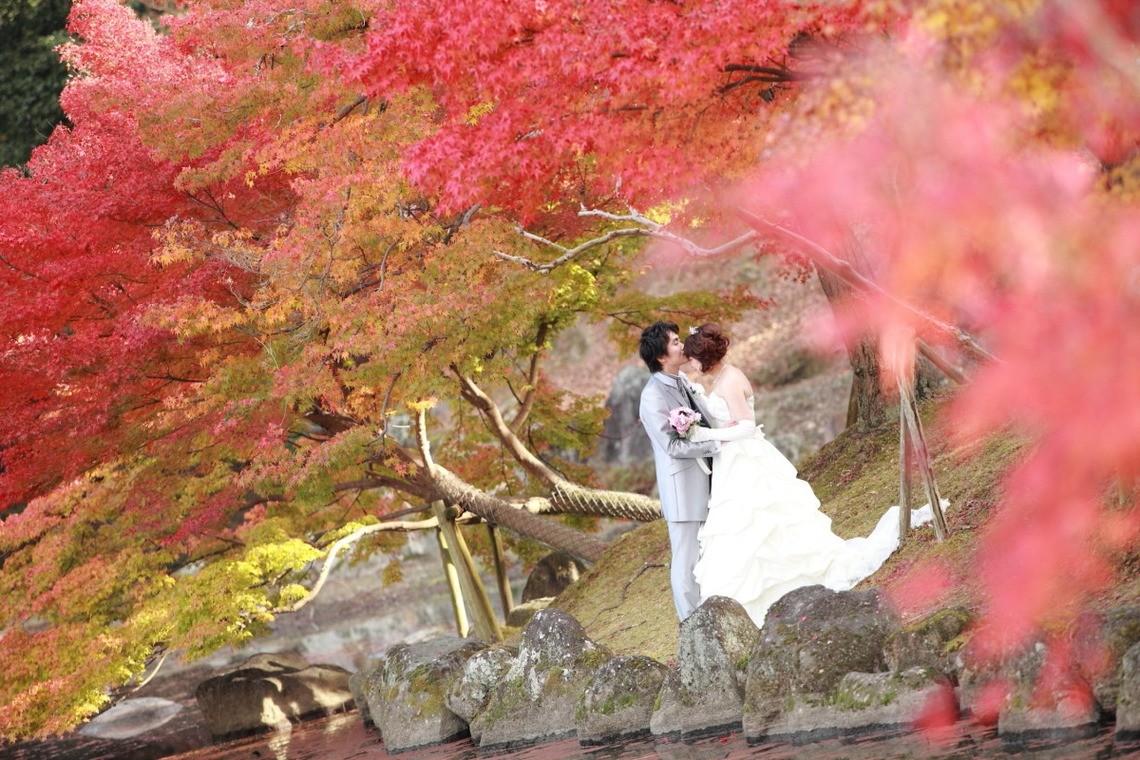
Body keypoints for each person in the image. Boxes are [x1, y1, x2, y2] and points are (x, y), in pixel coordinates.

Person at [682, 323, 911, 628]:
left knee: (762, 519)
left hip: (746, 460)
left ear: (704, 355)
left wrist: (704, 433)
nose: (692, 365)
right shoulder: (721, 378)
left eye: (693, 359)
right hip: (732, 460)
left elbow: (747, 426)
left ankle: (785, 583)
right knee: (743, 526)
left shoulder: (731, 380)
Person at [638, 321, 720, 621]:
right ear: (661, 356)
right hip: (683, 490)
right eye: (674, 342)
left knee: (708, 554)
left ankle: (711, 617)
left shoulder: (683, 379)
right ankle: (691, 626)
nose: (681, 345)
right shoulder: (652, 396)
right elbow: (672, 446)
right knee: (686, 561)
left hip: (709, 478)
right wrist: (716, 446)